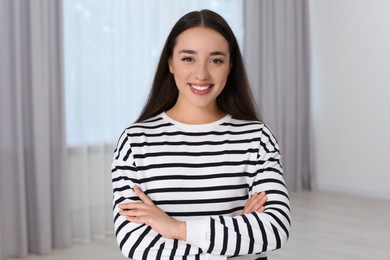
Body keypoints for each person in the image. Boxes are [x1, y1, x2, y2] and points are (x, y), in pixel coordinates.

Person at [111, 9, 290, 260]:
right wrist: (233, 245)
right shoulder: (135, 142)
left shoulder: (257, 138)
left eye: (216, 60)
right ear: (170, 63)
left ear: (230, 66)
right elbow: (137, 243)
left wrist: (176, 228)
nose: (202, 74)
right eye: (188, 59)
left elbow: (275, 228)